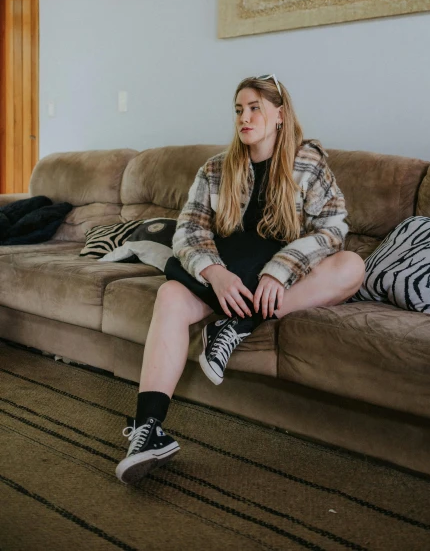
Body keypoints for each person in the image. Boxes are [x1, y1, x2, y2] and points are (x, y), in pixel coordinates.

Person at [115, 74, 365, 485]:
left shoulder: (309, 163)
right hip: (223, 275)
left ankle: (238, 324)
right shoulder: (215, 168)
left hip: (277, 277)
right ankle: (148, 431)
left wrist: (280, 270)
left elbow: (333, 230)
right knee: (170, 295)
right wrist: (216, 274)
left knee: (352, 266)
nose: (244, 118)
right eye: (238, 110)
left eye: (254, 109)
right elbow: (189, 233)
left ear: (279, 115)